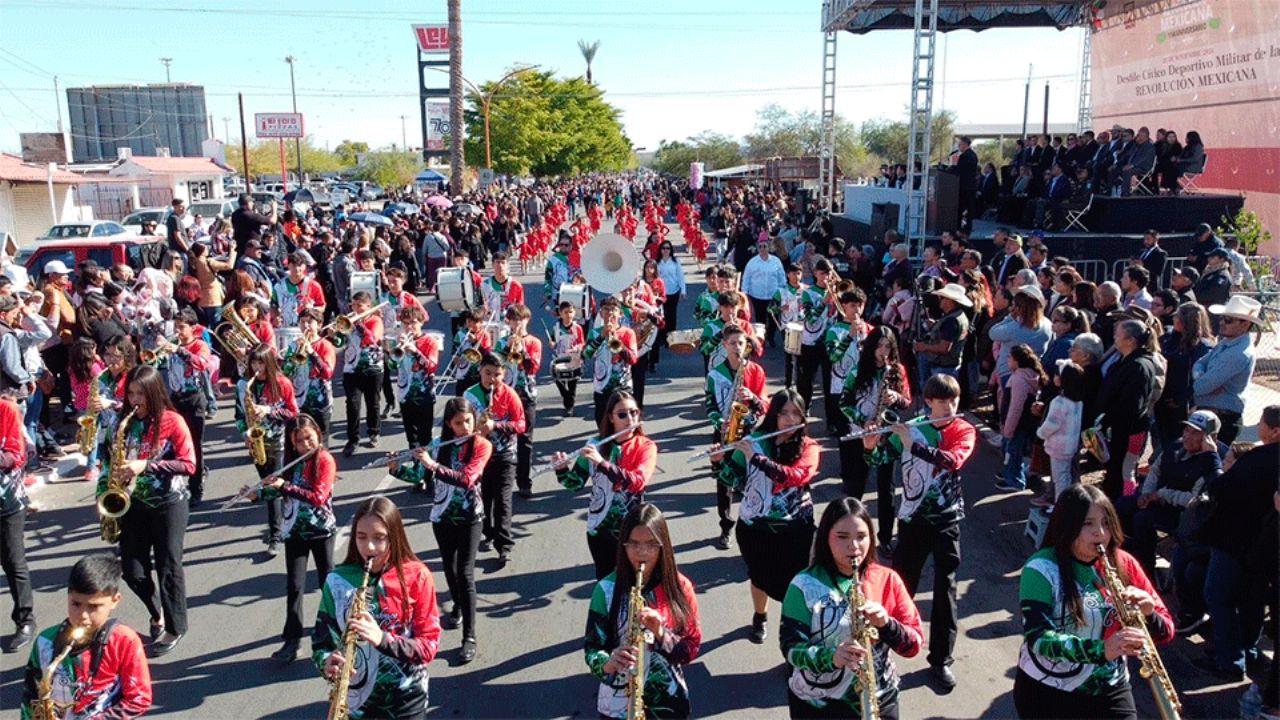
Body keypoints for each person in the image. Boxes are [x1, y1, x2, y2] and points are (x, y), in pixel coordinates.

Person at [1014, 484, 1174, 719]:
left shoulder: (1124, 562)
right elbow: (1038, 638)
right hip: (1049, 691)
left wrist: (1149, 613)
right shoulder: (1041, 568)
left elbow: (1166, 631)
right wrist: (1102, 650)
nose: (1100, 533)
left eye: (1106, 522)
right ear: (1067, 525)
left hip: (1110, 687)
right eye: (1088, 524)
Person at [863, 374, 975, 690]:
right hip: (912, 520)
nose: (949, 406)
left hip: (946, 521)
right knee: (900, 585)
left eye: (953, 400)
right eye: (941, 401)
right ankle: (882, 643)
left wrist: (917, 445)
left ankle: (940, 660)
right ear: (928, 402)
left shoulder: (962, 429)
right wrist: (871, 444)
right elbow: (881, 458)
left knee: (945, 591)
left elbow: (954, 461)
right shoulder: (912, 427)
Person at [781, 497, 924, 719]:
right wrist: (832, 658)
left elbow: (914, 645)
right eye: (842, 537)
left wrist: (887, 624)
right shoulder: (803, 585)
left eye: (861, 537)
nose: (854, 546)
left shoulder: (888, 579)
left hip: (880, 697)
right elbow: (790, 648)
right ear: (825, 538)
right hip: (820, 704)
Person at [313, 496, 440, 720]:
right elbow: (321, 643)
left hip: (406, 700)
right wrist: (326, 662)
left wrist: (382, 638)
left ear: (394, 537)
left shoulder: (417, 576)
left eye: (379, 538)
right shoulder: (337, 580)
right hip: (355, 703)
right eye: (361, 537)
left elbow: (428, 646)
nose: (369, 547)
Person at [100, 365, 196, 657]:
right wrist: (102, 496)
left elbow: (189, 464)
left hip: (170, 503)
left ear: (154, 393)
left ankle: (175, 627)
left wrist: (147, 465)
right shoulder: (124, 424)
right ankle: (157, 612)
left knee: (169, 564)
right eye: (130, 393)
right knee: (132, 570)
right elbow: (109, 465)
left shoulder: (173, 421)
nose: (134, 400)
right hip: (134, 503)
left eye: (141, 393)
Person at [712, 388, 817, 645]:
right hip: (755, 528)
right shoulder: (755, 440)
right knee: (759, 577)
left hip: (796, 529)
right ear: (773, 416)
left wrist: (756, 458)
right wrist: (719, 461)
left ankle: (794, 630)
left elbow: (793, 477)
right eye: (784, 413)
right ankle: (760, 616)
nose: (790, 420)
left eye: (796, 413)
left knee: (797, 583)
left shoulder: (809, 447)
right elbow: (731, 479)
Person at [390, 398, 492, 664]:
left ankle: (469, 636)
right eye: (458, 423)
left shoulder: (481, 445)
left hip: (470, 517)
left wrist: (432, 465)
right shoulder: (438, 445)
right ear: (449, 423)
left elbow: (467, 479)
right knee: (449, 566)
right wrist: (397, 468)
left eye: (468, 421)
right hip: (442, 517)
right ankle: (457, 604)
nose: (465, 426)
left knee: (466, 573)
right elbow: (420, 478)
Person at [583, 503, 701, 720]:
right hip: (617, 704)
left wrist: (662, 634)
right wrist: (608, 662)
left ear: (663, 546)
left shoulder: (680, 587)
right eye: (634, 544)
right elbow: (592, 649)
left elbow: (692, 648)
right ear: (623, 546)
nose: (642, 553)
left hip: (668, 700)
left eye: (651, 545)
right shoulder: (605, 590)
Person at [241, 414, 336, 664]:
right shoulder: (292, 462)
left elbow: (318, 497)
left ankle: (333, 633)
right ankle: (292, 640)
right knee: (294, 587)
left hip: (321, 530)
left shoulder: (325, 460)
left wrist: (284, 486)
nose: (305, 445)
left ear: (318, 433)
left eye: (309, 438)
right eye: (299, 441)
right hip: (294, 532)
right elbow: (279, 492)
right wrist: (257, 496)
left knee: (329, 583)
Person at [1197, 405, 1279, 680]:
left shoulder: (1259, 459)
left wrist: (1212, 459)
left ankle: (1230, 659)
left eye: (1263, 424)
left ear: (1274, 431)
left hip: (1235, 539)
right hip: (1265, 547)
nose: (1258, 428)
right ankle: (1246, 649)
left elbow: (1220, 489)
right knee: (1251, 602)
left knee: (1219, 596)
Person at [20, 554, 152, 717]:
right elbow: (30, 697)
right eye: (76, 604)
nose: (83, 615)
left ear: (115, 600)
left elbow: (139, 699)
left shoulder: (124, 640)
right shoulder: (46, 640)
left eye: (93, 606)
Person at [555, 391, 656, 580]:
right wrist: (562, 470)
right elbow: (575, 484)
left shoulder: (646, 446)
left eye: (634, 412)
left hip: (632, 529)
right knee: (606, 582)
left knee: (633, 582)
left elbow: (637, 482)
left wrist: (602, 463)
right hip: (599, 527)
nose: (630, 419)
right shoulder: (595, 444)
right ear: (610, 417)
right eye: (622, 414)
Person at [1114, 410, 1221, 580]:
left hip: (1183, 513)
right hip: (1156, 498)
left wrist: (1163, 494)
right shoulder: (1175, 447)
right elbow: (1155, 471)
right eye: (1187, 430)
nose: (1188, 436)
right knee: (1122, 505)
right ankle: (1125, 556)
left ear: (1210, 439)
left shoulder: (1210, 464)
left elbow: (1194, 500)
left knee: (1142, 519)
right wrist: (1146, 493)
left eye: (1196, 433)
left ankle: (1145, 571)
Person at [838, 326, 911, 538]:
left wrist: (896, 398)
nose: (884, 351)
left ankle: (886, 536)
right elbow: (844, 404)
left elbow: (907, 400)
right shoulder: (857, 371)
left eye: (888, 347)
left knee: (886, 489)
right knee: (856, 484)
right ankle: (849, 529)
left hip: (887, 434)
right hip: (862, 433)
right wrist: (864, 420)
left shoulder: (898, 371)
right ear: (871, 346)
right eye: (879, 346)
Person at [704, 325, 767, 550]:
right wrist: (720, 423)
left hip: (747, 431)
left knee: (751, 478)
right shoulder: (714, 374)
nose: (737, 348)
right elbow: (710, 404)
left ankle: (752, 523)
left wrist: (754, 399)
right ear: (724, 346)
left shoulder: (755, 371)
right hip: (723, 431)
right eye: (732, 343)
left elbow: (765, 406)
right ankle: (726, 526)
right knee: (724, 481)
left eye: (741, 343)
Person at [236, 344, 299, 558]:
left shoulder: (282, 383)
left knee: (273, 488)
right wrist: (245, 433)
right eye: (253, 362)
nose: (257, 367)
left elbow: (293, 413)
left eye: (261, 362)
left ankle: (275, 535)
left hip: (279, 442)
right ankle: (286, 519)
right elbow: (238, 415)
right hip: (258, 443)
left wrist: (269, 410)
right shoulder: (245, 385)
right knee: (270, 486)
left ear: (269, 363)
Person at [463, 352, 526, 565]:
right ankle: (488, 532)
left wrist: (497, 426)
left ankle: (504, 544)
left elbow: (521, 425)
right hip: (479, 456)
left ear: (504, 374)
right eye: (488, 373)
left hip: (505, 455)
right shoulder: (469, 395)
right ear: (480, 370)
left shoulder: (510, 395)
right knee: (484, 499)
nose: (492, 379)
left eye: (497, 375)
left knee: (503, 501)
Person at [157, 308, 212, 507]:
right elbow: (158, 365)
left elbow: (202, 364)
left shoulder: (199, 345)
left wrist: (180, 351)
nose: (178, 331)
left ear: (193, 328)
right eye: (176, 327)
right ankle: (171, 484)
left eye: (182, 327)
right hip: (175, 399)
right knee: (171, 444)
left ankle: (196, 487)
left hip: (194, 399)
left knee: (194, 445)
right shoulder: (172, 345)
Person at [1193, 295, 1261, 445]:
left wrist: (1202, 380)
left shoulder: (1238, 353)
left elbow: (1200, 387)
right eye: (1223, 318)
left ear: (1245, 325)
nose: (1222, 322)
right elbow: (1199, 364)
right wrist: (1202, 376)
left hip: (1221, 420)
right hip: (1213, 415)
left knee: (1209, 463)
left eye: (1229, 320)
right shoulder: (1227, 342)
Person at [496, 303, 541, 497]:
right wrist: (506, 349)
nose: (517, 323)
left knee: (525, 440)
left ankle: (524, 481)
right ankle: (503, 478)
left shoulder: (534, 342)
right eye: (513, 319)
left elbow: (533, 368)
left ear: (527, 320)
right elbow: (495, 365)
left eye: (520, 319)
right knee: (502, 437)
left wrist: (522, 350)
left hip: (526, 394)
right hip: (505, 395)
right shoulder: (502, 341)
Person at [0, 392, 32, 654]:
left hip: (8, 501)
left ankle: (25, 621)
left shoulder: (6, 410)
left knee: (12, 560)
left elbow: (16, 456)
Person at [995, 345, 1047, 493]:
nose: (1007, 360)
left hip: (1016, 425)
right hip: (1024, 424)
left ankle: (1016, 480)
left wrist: (1009, 428)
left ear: (1017, 361)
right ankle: (1010, 474)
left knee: (1013, 452)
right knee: (1013, 452)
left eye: (1010, 358)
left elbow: (1015, 407)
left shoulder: (1019, 379)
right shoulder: (1029, 375)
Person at [1034, 361, 1086, 507]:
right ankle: (1066, 504)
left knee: (1059, 479)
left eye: (1058, 374)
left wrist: (1040, 433)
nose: (1055, 376)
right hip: (1071, 446)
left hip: (1058, 447)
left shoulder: (1059, 402)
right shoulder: (1078, 402)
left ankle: (1060, 508)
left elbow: (1051, 424)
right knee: (1067, 477)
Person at [339, 291, 385, 457]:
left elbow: (371, 340)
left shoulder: (376, 320)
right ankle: (353, 439)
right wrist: (335, 334)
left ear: (368, 306)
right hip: (351, 368)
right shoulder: (348, 321)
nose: (355, 309)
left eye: (359, 305)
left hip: (372, 368)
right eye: (353, 305)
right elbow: (339, 342)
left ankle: (373, 431)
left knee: (373, 402)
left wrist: (358, 324)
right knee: (352, 404)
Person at [583, 298, 638, 426]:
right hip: (602, 386)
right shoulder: (594, 332)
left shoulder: (628, 333)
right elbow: (586, 354)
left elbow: (633, 359)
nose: (610, 313)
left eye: (614, 310)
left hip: (622, 386)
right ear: (601, 313)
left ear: (620, 313)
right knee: (602, 422)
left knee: (623, 423)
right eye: (606, 309)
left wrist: (616, 341)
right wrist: (602, 336)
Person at [392, 304, 441, 450]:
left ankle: (425, 468)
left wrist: (416, 352)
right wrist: (397, 348)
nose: (409, 327)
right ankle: (415, 463)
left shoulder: (429, 341)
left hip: (424, 395)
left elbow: (432, 366)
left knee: (425, 437)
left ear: (421, 322)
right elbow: (391, 366)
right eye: (406, 323)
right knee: (411, 438)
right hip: (405, 394)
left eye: (413, 322)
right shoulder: (399, 341)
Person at [284, 308, 337, 441]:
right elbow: (285, 371)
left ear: (319, 324)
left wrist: (312, 352)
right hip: (298, 400)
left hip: (320, 401)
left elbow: (327, 373)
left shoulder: (325, 345)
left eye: (310, 322)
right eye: (302, 322)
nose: (306, 326)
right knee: (298, 438)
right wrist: (293, 355)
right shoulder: (293, 345)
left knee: (320, 440)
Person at [795, 259, 836, 413]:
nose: (826, 276)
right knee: (806, 382)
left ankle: (832, 419)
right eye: (822, 273)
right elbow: (811, 320)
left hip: (830, 343)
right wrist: (825, 302)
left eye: (829, 273)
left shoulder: (837, 293)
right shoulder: (808, 293)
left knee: (831, 384)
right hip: (810, 342)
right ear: (815, 274)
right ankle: (802, 414)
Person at [743, 240, 786, 346]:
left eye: (765, 246)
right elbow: (746, 278)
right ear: (757, 249)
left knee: (773, 318)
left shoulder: (776, 261)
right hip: (757, 295)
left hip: (773, 295)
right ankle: (760, 339)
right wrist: (744, 293)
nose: (762, 249)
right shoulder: (752, 262)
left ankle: (770, 336)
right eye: (760, 247)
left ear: (769, 248)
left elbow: (781, 276)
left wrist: (783, 291)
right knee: (760, 319)